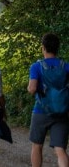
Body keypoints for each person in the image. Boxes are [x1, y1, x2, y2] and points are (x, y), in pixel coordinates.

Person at [28, 33, 69, 167]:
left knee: (37, 146)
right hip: (61, 112)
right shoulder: (66, 66)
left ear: (43, 48)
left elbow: (32, 88)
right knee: (60, 150)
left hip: (40, 111)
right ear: (57, 48)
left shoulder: (36, 66)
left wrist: (31, 89)